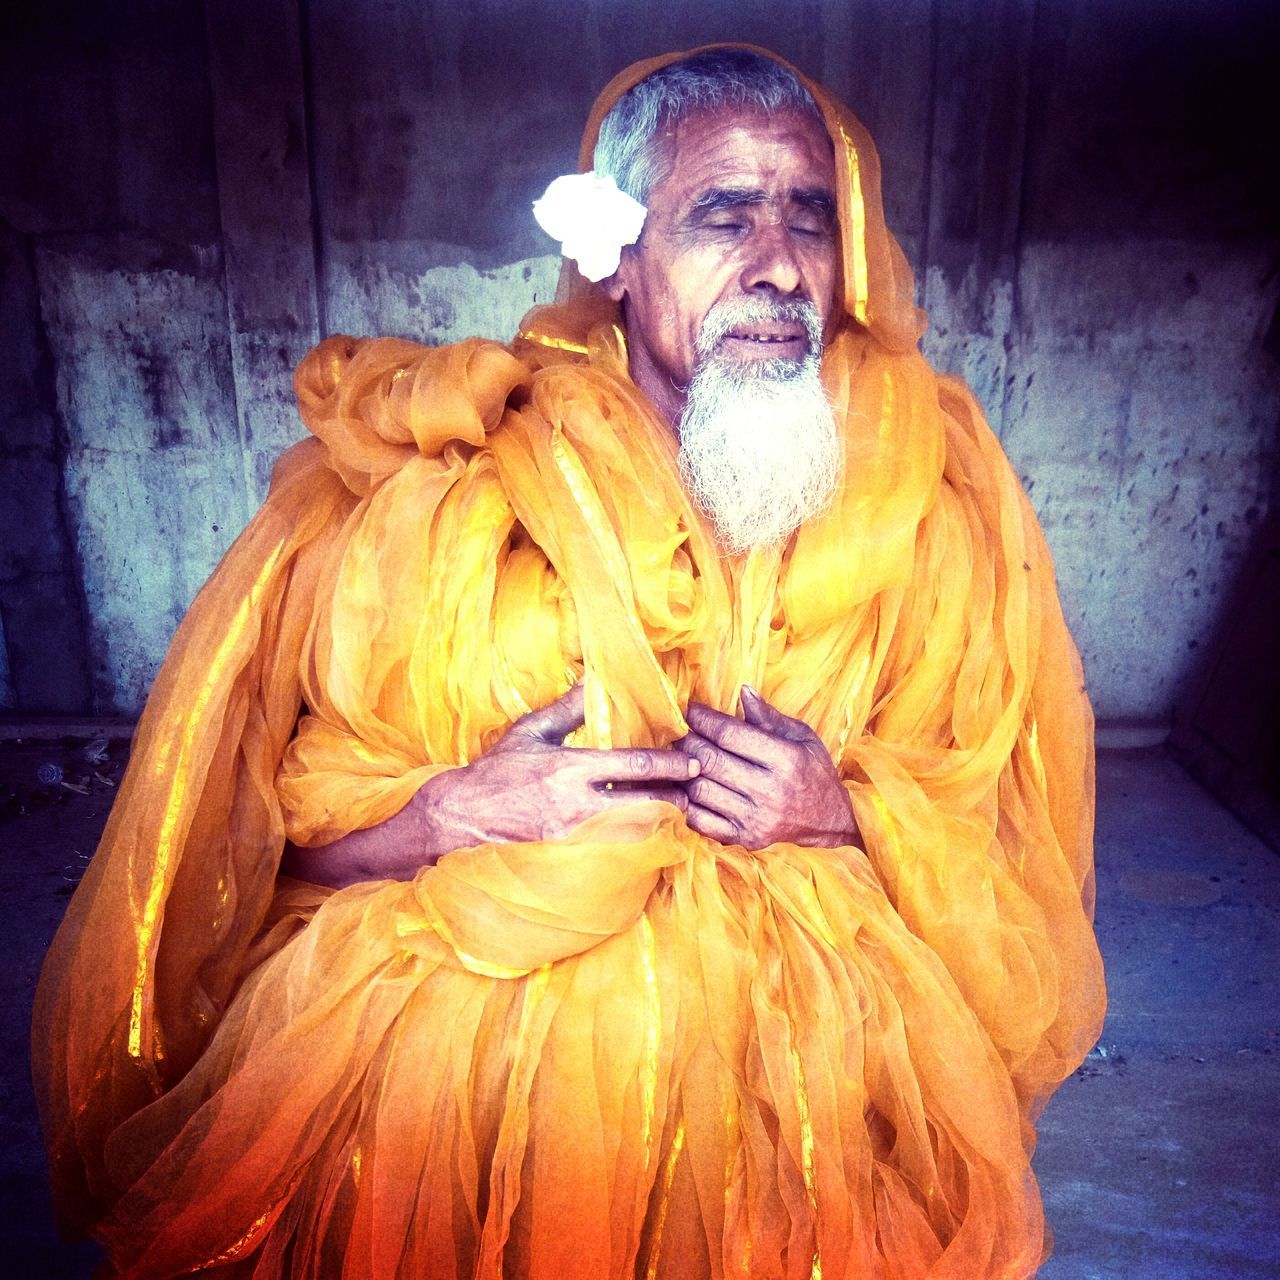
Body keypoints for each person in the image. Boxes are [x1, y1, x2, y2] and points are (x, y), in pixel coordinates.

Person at [34, 45, 1105, 1279]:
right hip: (473, 995)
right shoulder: (449, 486)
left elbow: (997, 816)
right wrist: (439, 814)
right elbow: (266, 837)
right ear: (617, 255)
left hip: (809, 1028)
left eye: (808, 216)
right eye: (722, 214)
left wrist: (841, 813)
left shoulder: (917, 475)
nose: (777, 265)